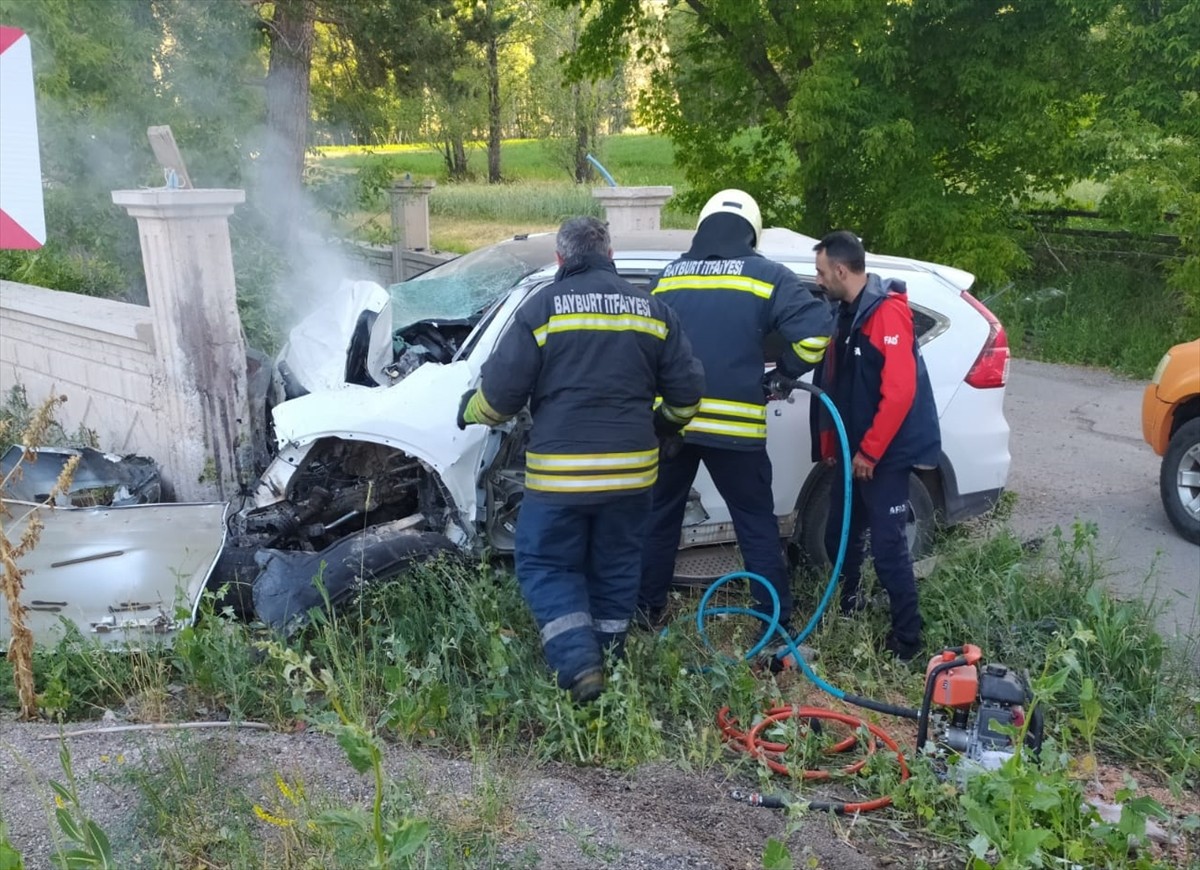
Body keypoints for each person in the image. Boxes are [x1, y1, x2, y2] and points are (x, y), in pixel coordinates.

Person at [457, 216, 704, 703]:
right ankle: (609, 658)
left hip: (561, 477)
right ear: (609, 254)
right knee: (615, 564)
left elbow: (500, 398)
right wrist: (663, 427)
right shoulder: (653, 311)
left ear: (560, 259)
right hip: (633, 476)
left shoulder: (543, 308)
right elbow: (688, 396)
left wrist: (469, 411)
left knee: (548, 563)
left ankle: (578, 663)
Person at [637, 190, 833, 637]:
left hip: (673, 425)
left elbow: (643, 342)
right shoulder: (766, 275)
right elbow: (817, 332)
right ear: (752, 231)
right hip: (736, 431)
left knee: (658, 518)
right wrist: (783, 373)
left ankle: (646, 611)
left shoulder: (669, 277)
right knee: (754, 523)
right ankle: (773, 621)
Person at [809, 230, 941, 661]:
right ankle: (849, 608)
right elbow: (837, 384)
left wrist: (870, 451)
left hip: (882, 456)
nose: (819, 278)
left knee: (888, 550)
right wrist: (834, 445)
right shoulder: (844, 313)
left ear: (842, 270)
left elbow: (899, 392)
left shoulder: (886, 314)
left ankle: (907, 642)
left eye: (822, 271)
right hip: (855, 454)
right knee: (839, 537)